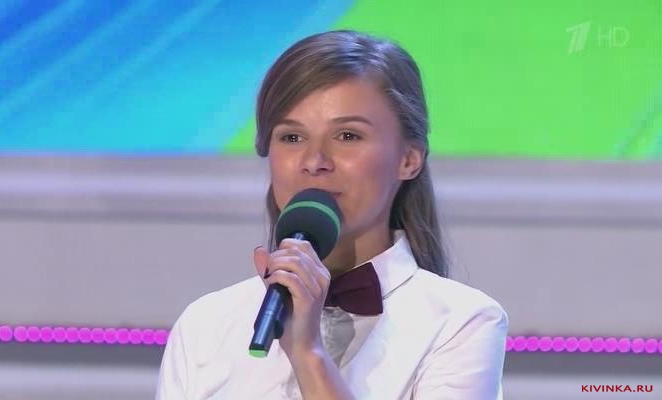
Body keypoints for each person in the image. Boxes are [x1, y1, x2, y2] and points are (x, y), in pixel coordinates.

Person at [156, 30, 508, 400]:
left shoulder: (462, 323)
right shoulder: (205, 325)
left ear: (408, 159)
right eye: (292, 138)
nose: (314, 161)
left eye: (347, 136)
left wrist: (308, 354)